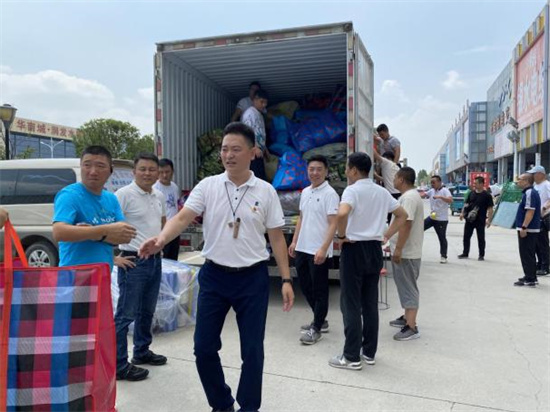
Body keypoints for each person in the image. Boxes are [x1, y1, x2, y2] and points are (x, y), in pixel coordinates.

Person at [139, 122, 294, 412]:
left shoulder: (266, 191)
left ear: (252, 153)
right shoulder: (208, 186)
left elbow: (276, 237)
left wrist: (286, 279)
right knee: (204, 348)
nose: (228, 155)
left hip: (252, 279)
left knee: (252, 350)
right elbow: (183, 217)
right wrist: (161, 239)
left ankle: (249, 407)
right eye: (225, 149)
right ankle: (222, 404)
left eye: (236, 149)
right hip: (214, 277)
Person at [328, 152, 407, 370]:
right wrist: (386, 235)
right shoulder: (381, 192)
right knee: (369, 303)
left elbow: (342, 215)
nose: (346, 171)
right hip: (374, 249)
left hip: (354, 249)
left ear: (354, 170)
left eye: (347, 167)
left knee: (351, 303)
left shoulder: (351, 191)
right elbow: (402, 214)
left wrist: (342, 236)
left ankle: (351, 356)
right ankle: (369, 352)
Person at [114, 153, 167, 382]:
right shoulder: (123, 195)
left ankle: (142, 352)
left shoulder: (159, 195)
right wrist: (114, 257)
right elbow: (108, 226)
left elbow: (163, 223)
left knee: (147, 310)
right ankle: (118, 364)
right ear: (134, 171)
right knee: (125, 315)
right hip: (132, 260)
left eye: (152, 169)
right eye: (143, 169)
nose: (147, 173)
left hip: (154, 261)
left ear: (158, 172)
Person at [52, 145, 136, 269]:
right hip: (75, 277)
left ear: (110, 170)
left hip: (103, 275)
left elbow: (124, 236)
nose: (93, 171)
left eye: (100, 166)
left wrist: (92, 232)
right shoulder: (69, 195)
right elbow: (59, 232)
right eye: (87, 165)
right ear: (81, 167)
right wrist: (103, 232)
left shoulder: (111, 198)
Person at [288, 154, 339, 345]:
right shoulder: (305, 192)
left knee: (320, 290)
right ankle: (320, 319)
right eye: (311, 169)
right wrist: (294, 241)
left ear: (326, 171)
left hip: (319, 249)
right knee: (304, 285)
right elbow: (301, 218)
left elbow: (333, 223)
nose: (315, 173)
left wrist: (324, 249)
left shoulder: (330, 194)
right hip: (302, 247)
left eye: (319, 169)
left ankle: (316, 327)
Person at [385, 167, 424, 341]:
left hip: (407, 252)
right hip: (407, 250)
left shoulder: (408, 198)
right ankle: (407, 317)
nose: (393, 180)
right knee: (405, 286)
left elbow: (406, 224)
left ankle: (411, 326)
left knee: (409, 287)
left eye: (395, 177)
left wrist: (399, 248)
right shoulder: (410, 196)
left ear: (401, 179)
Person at [514, 173, 541, 287]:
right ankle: (530, 276)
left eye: (519, 179)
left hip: (528, 229)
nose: (518, 182)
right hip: (529, 228)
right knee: (527, 253)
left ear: (526, 181)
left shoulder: (530, 193)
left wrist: (524, 227)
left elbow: (530, 211)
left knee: (527, 254)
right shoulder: (528, 192)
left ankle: (530, 279)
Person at [458, 176, 494, 261]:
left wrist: (489, 220)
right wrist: (462, 213)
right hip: (469, 220)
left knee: (481, 238)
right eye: (474, 183)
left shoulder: (487, 195)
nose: (474, 185)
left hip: (480, 220)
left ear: (481, 184)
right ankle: (465, 253)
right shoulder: (471, 193)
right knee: (466, 237)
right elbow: (466, 204)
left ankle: (481, 255)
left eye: (476, 183)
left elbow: (490, 209)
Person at [154, 158, 181, 260]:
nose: (164, 175)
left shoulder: (174, 187)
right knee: (164, 261)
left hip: (175, 230)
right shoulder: (154, 188)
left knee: (173, 259)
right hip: (162, 231)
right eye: (161, 172)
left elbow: (176, 206)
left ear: (172, 172)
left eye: (167, 172)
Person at [423, 175, 452, 264]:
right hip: (432, 217)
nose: (432, 184)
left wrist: (440, 197)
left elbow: (450, 200)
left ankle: (443, 256)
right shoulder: (432, 191)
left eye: (433, 182)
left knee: (442, 237)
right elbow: (424, 194)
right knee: (418, 228)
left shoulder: (445, 191)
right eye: (431, 182)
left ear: (439, 182)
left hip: (441, 219)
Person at [242, 89, 269, 181]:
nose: (264, 105)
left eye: (265, 102)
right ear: (254, 100)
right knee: (255, 178)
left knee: (260, 179)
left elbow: (260, 133)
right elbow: (246, 134)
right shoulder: (250, 114)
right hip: (252, 153)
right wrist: (255, 147)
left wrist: (265, 149)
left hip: (258, 152)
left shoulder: (260, 115)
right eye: (262, 102)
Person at [527, 165, 550, 276]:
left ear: (541, 174)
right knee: (535, 243)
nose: (533, 176)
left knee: (543, 243)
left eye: (534, 174)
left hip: (543, 217)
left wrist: (545, 207)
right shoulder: (535, 186)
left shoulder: (546, 185)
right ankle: (540, 263)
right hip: (534, 217)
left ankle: (546, 267)